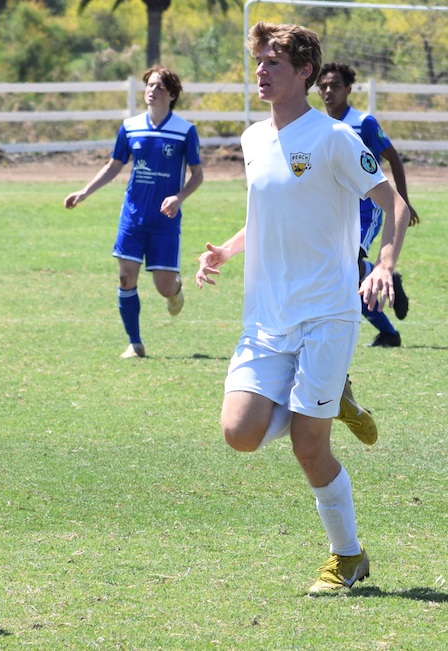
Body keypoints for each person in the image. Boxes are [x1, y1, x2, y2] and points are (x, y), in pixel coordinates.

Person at [195, 23, 410, 593]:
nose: (261, 72)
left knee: (307, 444)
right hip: (267, 317)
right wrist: (226, 248)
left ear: (305, 73)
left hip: (326, 314)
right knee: (239, 434)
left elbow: (393, 200)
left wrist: (384, 265)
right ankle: (328, 393)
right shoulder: (250, 138)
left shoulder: (335, 138)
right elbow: (267, 212)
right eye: (259, 62)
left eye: (273, 64)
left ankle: (348, 557)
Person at [64, 65, 204, 359]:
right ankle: (135, 343)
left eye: (160, 87)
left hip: (165, 222)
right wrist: (84, 192)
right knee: (126, 278)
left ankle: (176, 290)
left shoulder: (184, 131)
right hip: (133, 217)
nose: (152, 90)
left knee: (163, 288)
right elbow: (114, 165)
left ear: (172, 95)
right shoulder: (130, 127)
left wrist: (178, 197)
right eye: (150, 85)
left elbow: (197, 175)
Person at [317, 62, 421, 347]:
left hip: (365, 211)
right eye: (323, 86)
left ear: (348, 89)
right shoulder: (320, 125)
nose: (328, 91)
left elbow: (393, 158)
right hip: (335, 211)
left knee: (347, 270)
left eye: (335, 85)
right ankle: (387, 328)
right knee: (343, 273)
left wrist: (403, 201)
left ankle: (387, 326)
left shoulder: (363, 123)